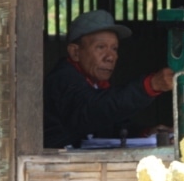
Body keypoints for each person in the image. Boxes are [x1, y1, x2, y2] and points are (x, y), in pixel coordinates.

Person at [44, 9, 174, 149]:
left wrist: (145, 133)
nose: (110, 57)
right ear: (75, 52)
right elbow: (95, 110)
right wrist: (150, 86)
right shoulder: (62, 79)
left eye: (114, 49)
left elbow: (111, 127)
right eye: (100, 47)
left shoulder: (95, 82)